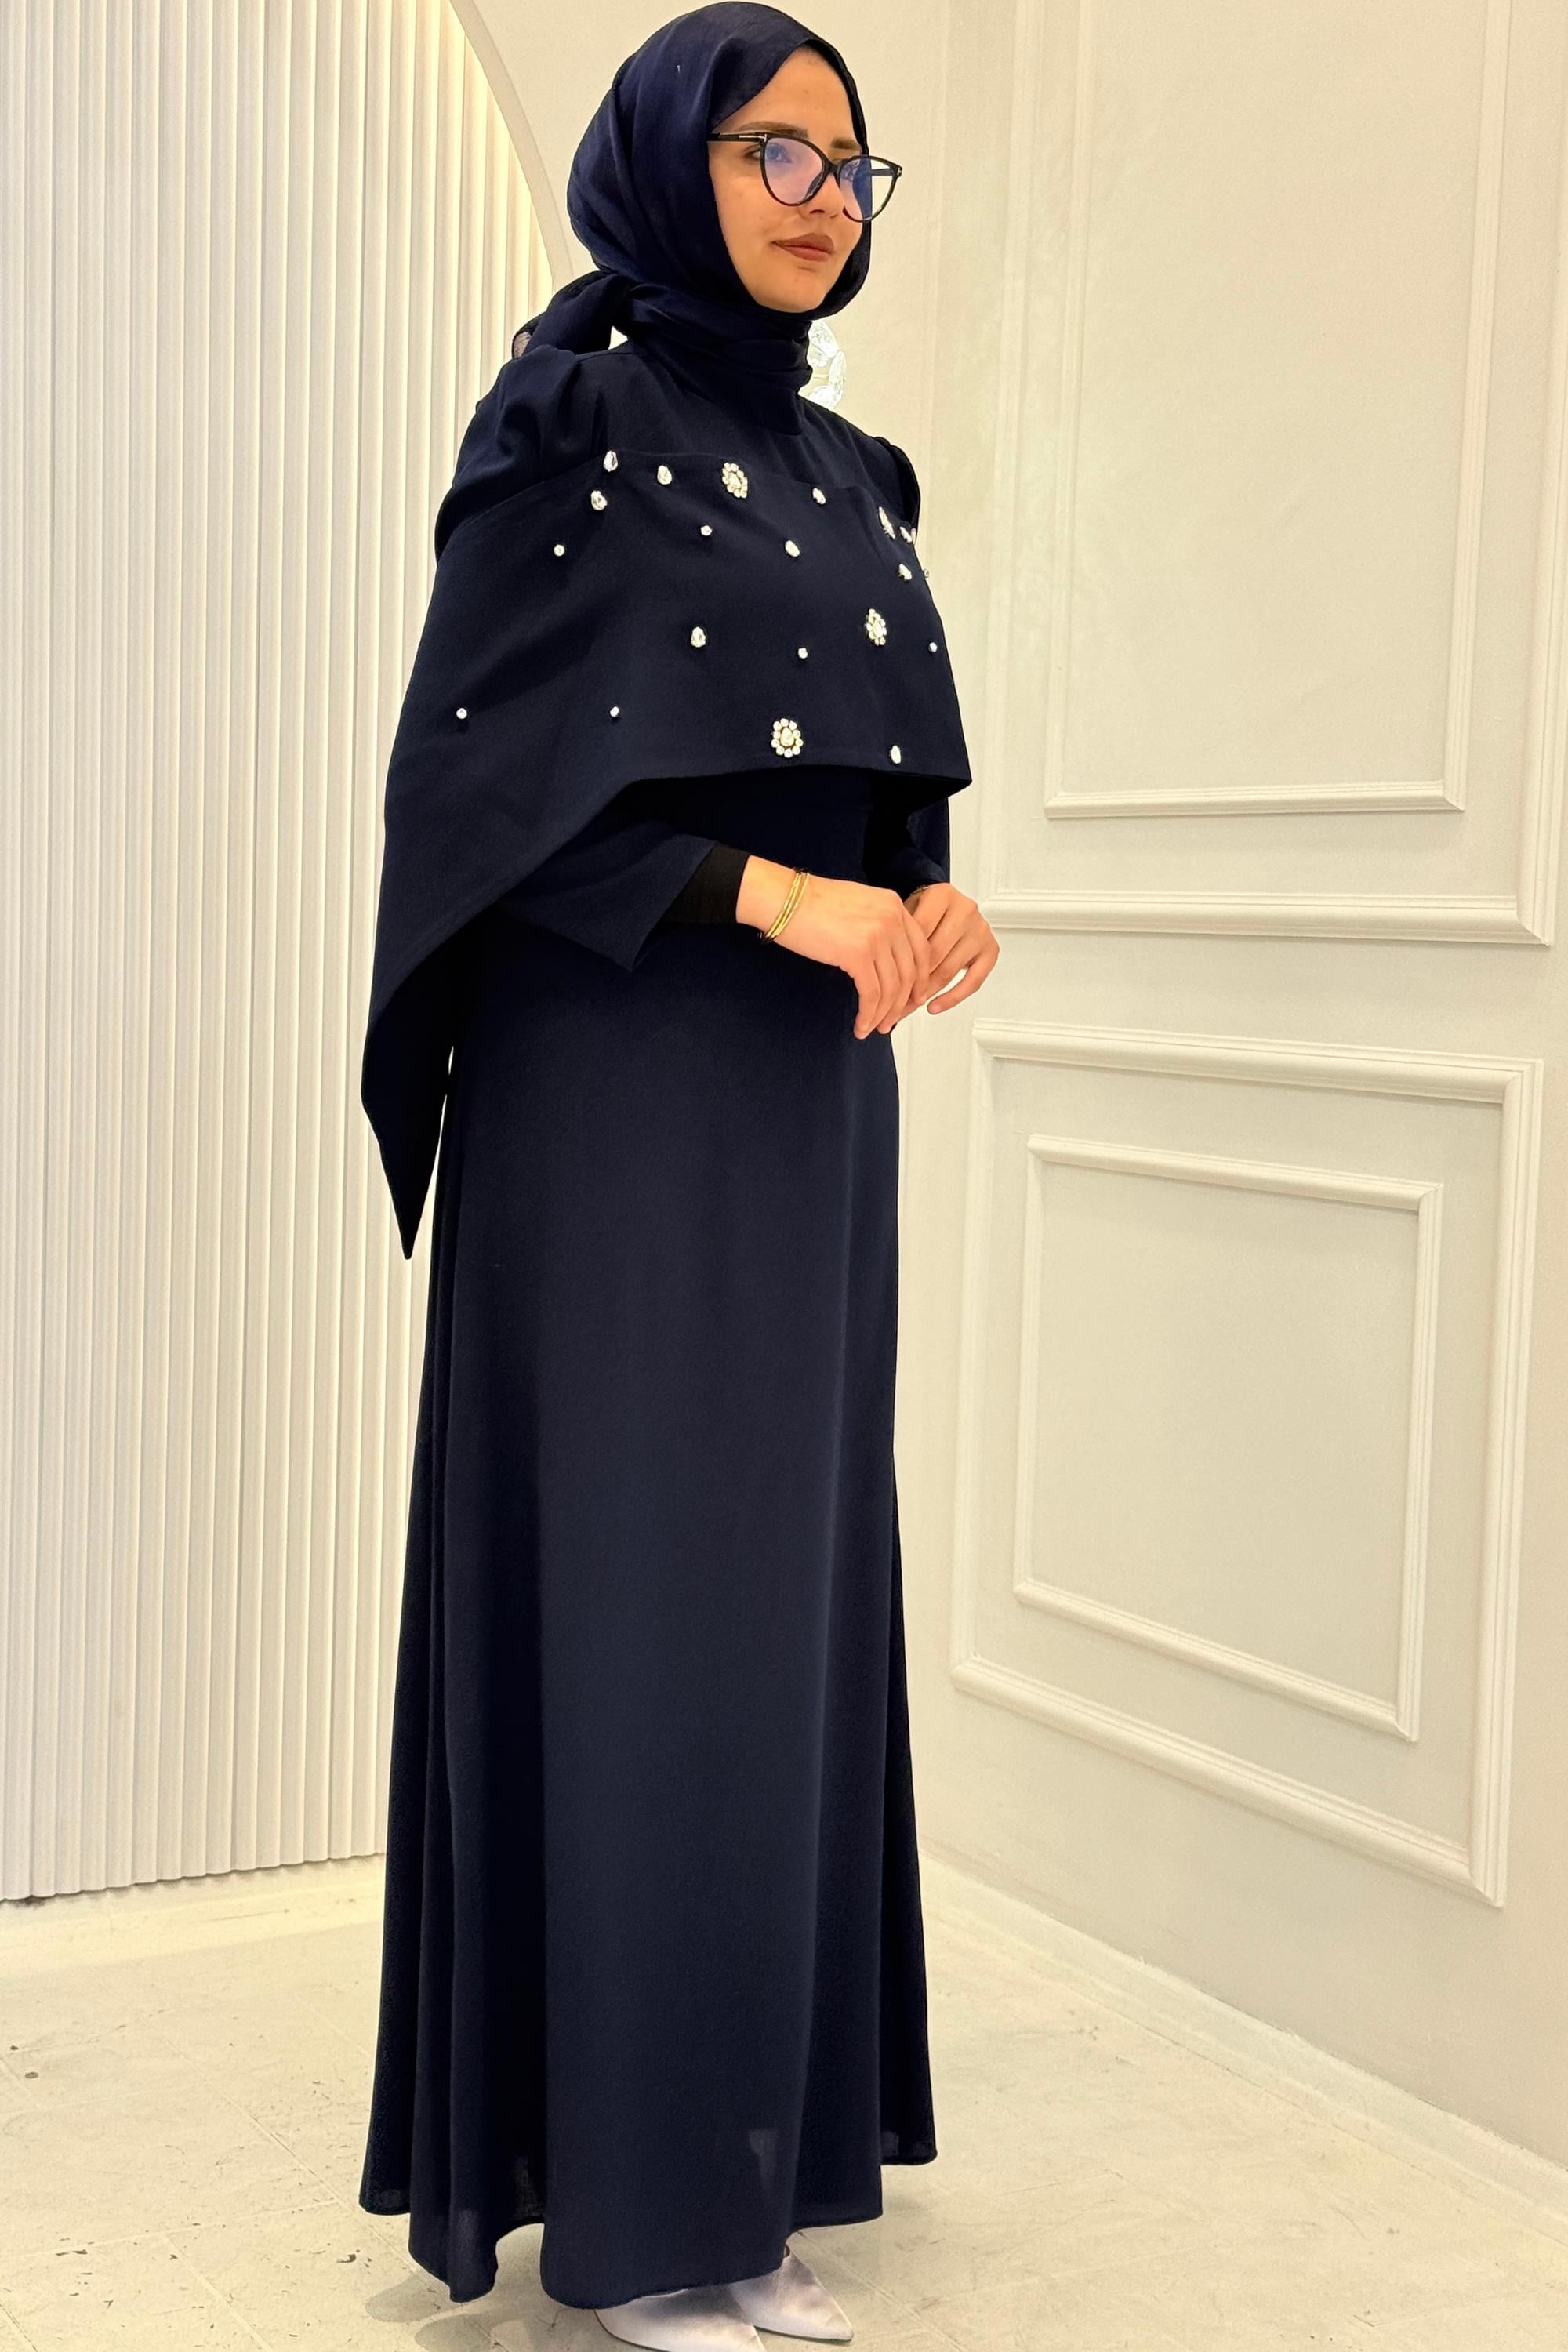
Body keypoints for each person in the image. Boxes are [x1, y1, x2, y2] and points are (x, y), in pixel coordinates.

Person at [355, 6, 999, 2347]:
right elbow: (489, 810)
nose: (824, 196)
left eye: (852, 162)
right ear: (664, 163)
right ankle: (632, 2212)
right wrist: (769, 897)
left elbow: (868, 778)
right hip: (617, 1095)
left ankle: (751, 2173)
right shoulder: (569, 424)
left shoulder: (849, 467)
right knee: (639, 1607)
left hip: (810, 1110)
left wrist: (923, 896)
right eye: (774, 152)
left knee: (777, 1611)